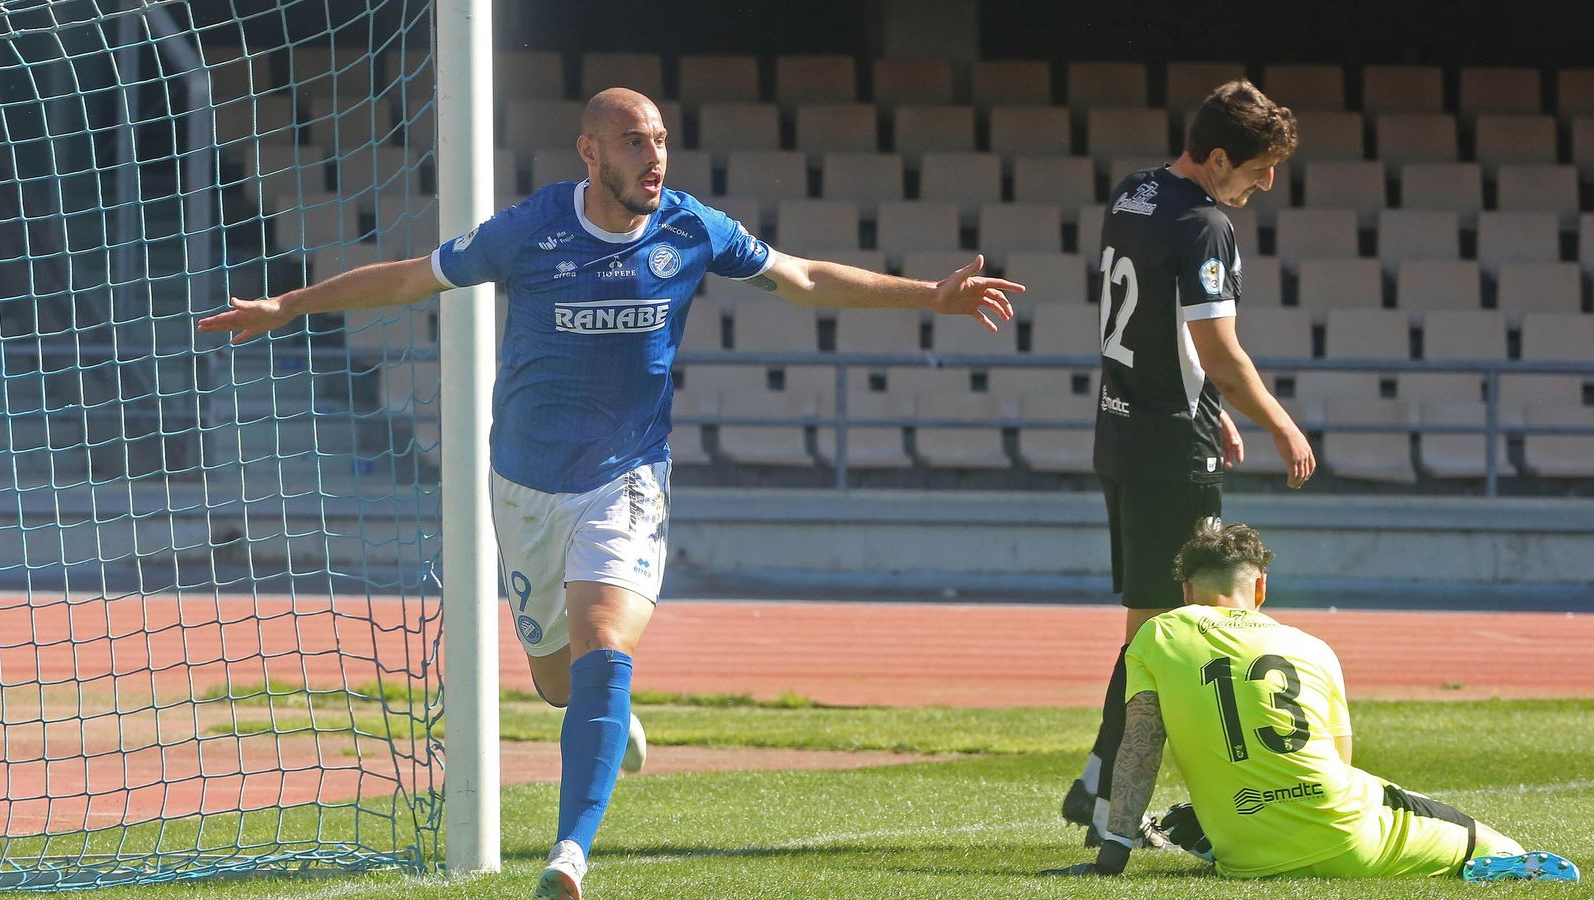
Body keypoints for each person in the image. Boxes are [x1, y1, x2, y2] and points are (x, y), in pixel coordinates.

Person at [198, 87, 1022, 900]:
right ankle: (607, 710)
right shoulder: (530, 230)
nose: (653, 155)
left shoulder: (691, 228)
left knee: (603, 634)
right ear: (590, 152)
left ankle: (569, 854)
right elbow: (414, 277)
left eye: (660, 139)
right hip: (523, 485)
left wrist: (930, 296)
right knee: (559, 682)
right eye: (633, 141)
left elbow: (802, 277)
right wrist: (288, 304)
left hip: (625, 479)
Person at [1064, 79, 1318, 847]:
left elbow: (1154, 334)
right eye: (1258, 167)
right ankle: (1107, 799)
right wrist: (1277, 422)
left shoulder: (1134, 194)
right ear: (1216, 157)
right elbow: (1218, 349)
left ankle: (1098, 789)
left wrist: (1216, 416)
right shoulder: (1207, 224)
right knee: (1171, 635)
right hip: (1170, 448)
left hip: (1122, 433)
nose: (1266, 183)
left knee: (1154, 629)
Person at [1047, 520, 1580, 883]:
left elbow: (1139, 747)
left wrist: (1113, 855)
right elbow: (1339, 767)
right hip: (1349, 841)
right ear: (1260, 589)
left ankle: (1212, 833)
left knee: (1213, 808)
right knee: (1456, 825)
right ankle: (1498, 857)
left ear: (1186, 592)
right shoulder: (1312, 647)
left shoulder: (1158, 636)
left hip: (1246, 858)